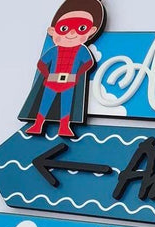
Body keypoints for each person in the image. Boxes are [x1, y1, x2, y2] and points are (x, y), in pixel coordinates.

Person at [20, 0, 106, 137]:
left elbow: (89, 63)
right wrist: (47, 74)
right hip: (52, 80)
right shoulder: (54, 50)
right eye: (64, 28)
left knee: (67, 104)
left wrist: (78, 74)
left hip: (69, 82)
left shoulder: (81, 50)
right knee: (45, 102)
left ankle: (64, 126)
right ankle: (38, 124)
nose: (71, 32)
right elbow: (41, 63)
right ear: (52, 31)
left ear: (91, 30)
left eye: (81, 28)